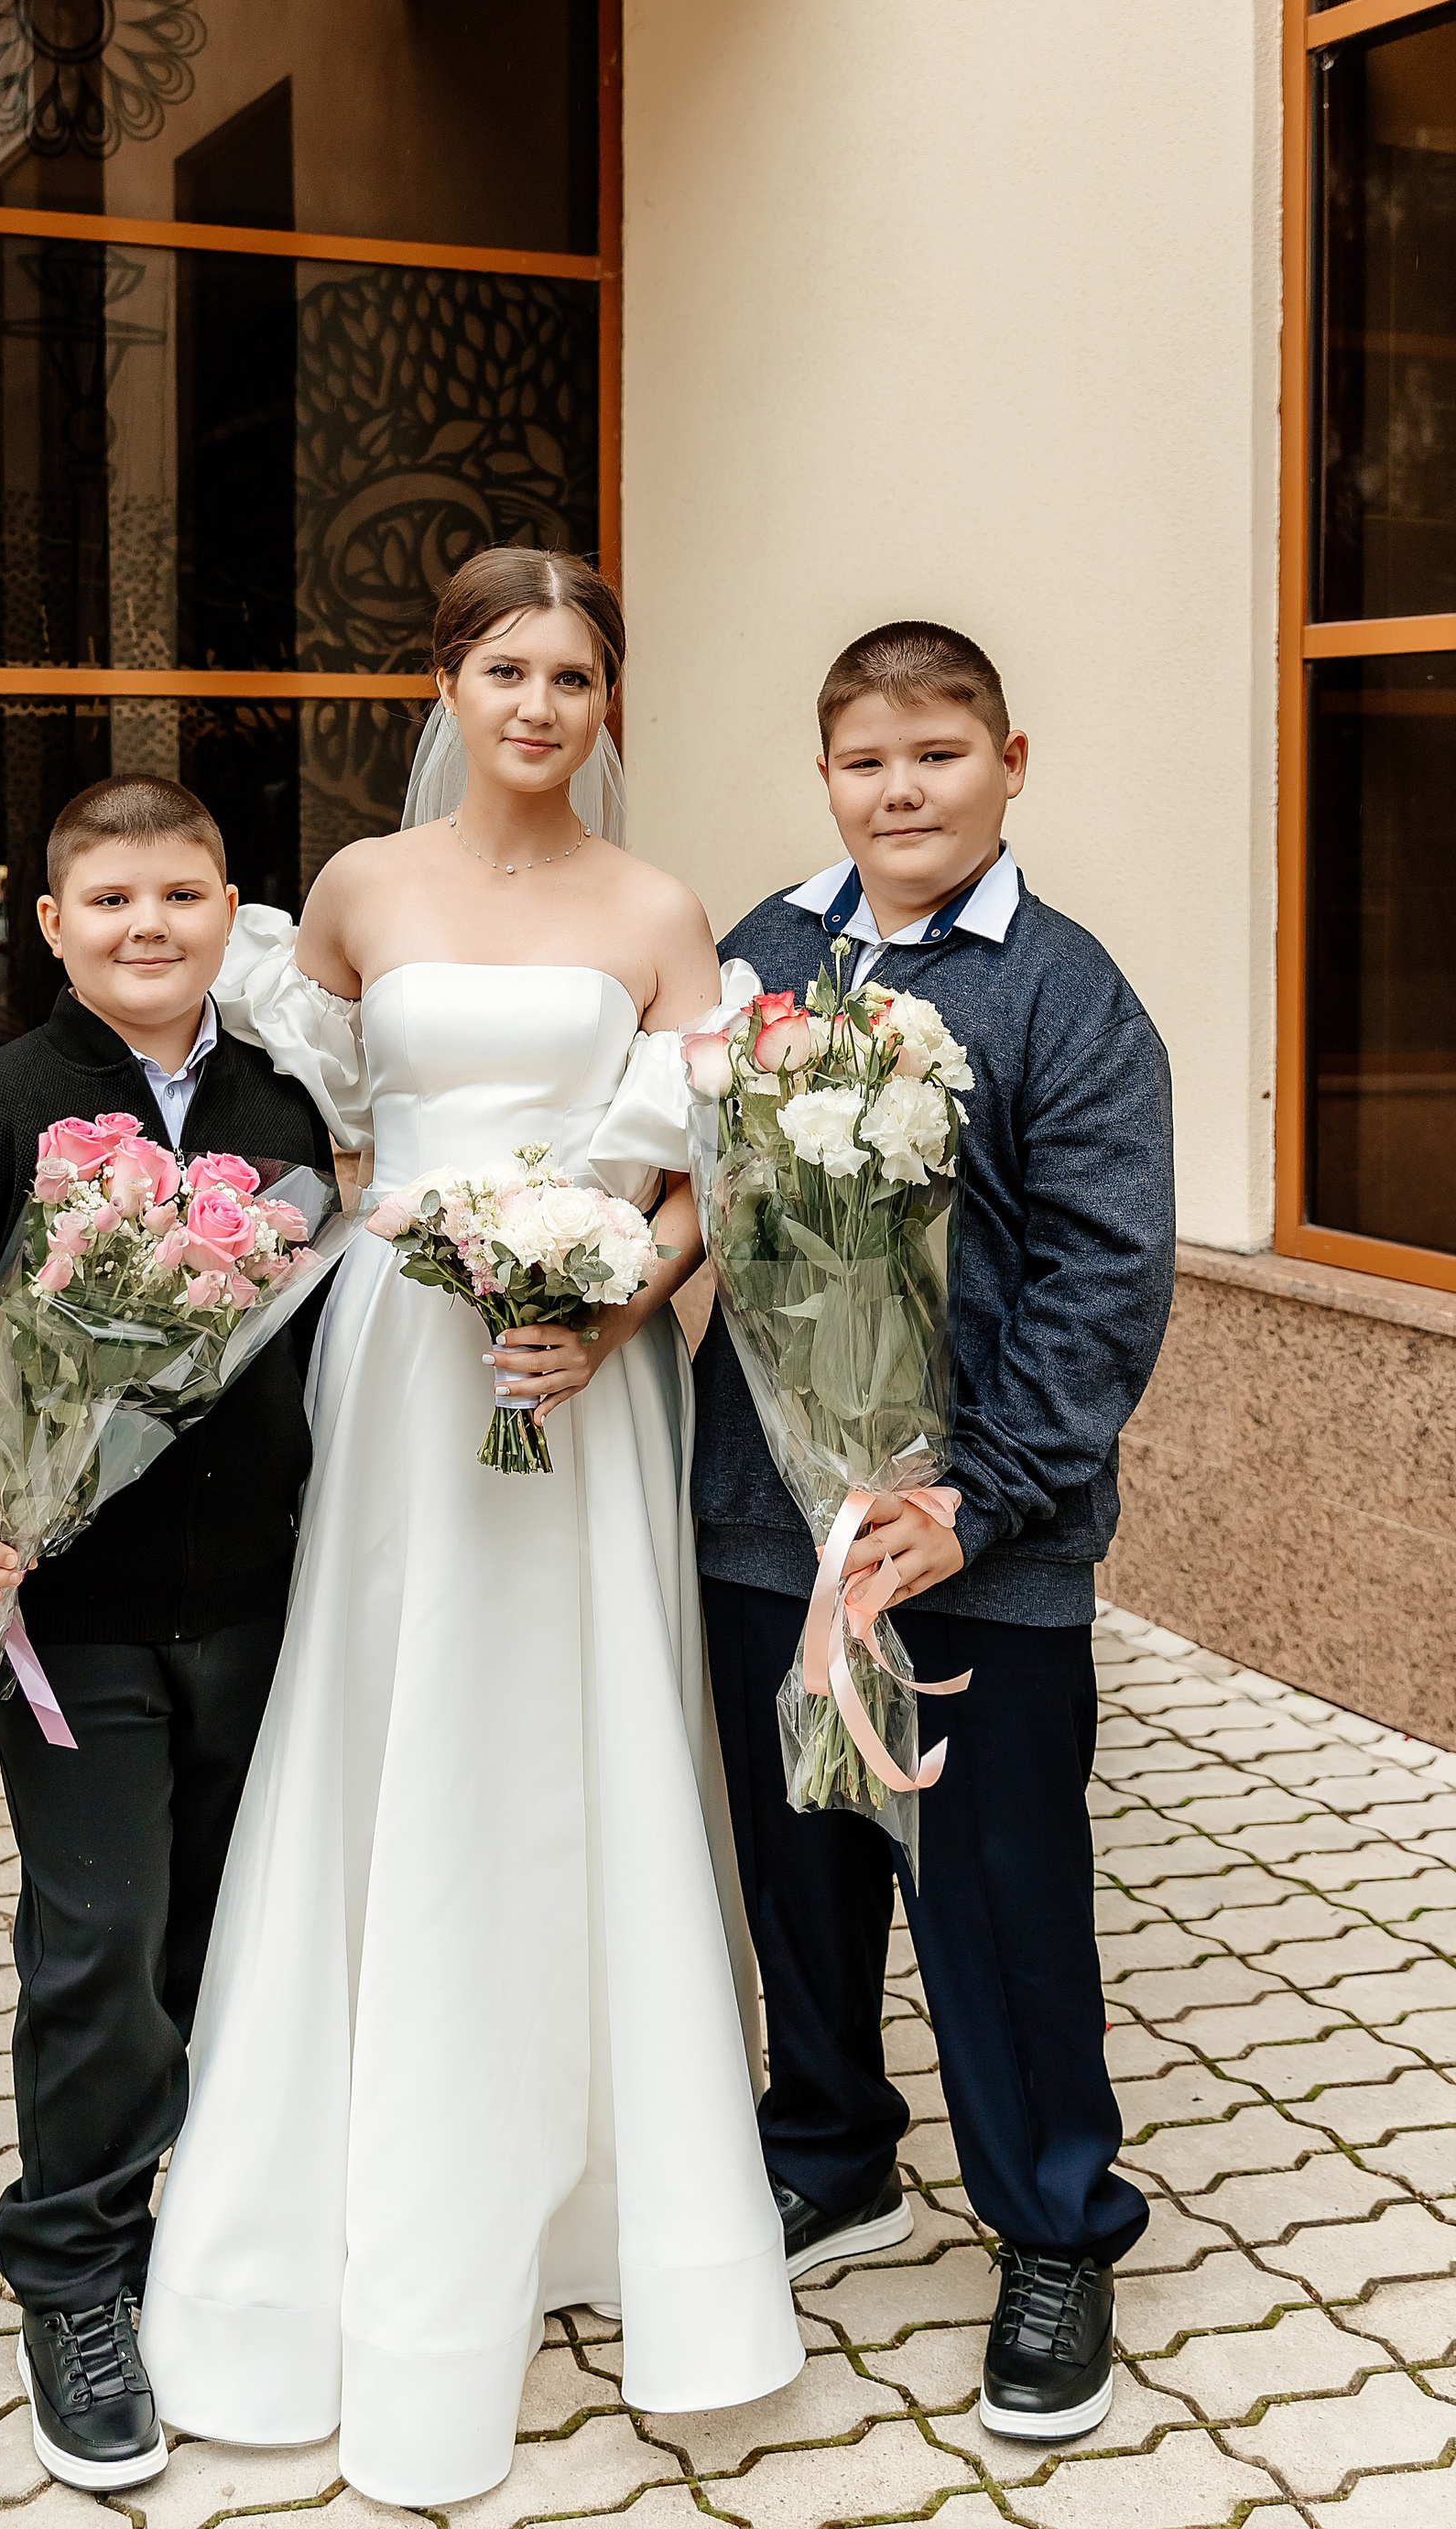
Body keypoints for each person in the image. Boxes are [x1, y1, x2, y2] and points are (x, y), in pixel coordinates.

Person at [141, 548, 803, 2504]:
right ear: (445, 683)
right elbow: (315, 1128)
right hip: (404, 1367)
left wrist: (604, 1315)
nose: (538, 706)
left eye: (573, 676)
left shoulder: (660, 908)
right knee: (392, 1713)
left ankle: (612, 2189)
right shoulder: (359, 888)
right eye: (506, 669)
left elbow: (707, 1180)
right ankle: (363, 2172)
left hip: (587, 1378)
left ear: (608, 703)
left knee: (583, 1734)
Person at [694, 622, 1174, 2442]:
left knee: (996, 1896)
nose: (902, 791)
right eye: (866, 761)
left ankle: (1054, 2224)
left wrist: (982, 1497)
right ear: (827, 777)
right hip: (767, 1521)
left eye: (939, 755)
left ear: (1010, 763)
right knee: (803, 1870)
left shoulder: (1066, 991)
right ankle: (829, 2155)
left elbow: (1106, 1277)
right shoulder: (761, 953)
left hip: (980, 1544)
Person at [0, 777, 333, 2498]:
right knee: (99, 1939)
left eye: (182, 894)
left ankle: (203, 2213)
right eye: (113, 899)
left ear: (230, 913)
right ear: (52, 923)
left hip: (262, 1605)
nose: (150, 924)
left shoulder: (285, 1106)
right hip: (75, 1622)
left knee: (219, 1925)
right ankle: (72, 2272)